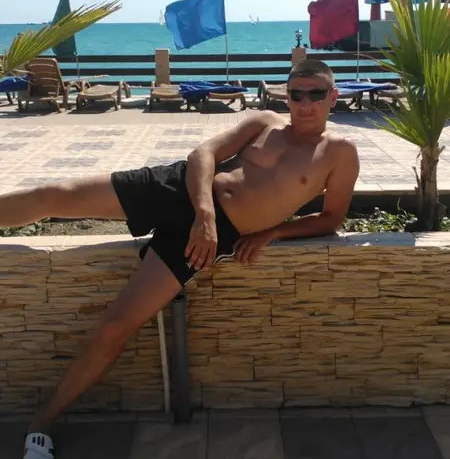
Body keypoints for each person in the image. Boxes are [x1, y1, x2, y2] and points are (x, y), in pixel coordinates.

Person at [14, 59, 359, 459]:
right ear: (287, 96)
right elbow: (203, 154)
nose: (305, 103)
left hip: (209, 239)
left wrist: (273, 231)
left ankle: (42, 424)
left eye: (316, 94)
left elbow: (332, 218)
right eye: (296, 94)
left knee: (115, 327)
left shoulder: (339, 153)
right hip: (183, 190)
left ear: (332, 96)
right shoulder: (265, 122)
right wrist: (204, 214)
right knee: (57, 194)